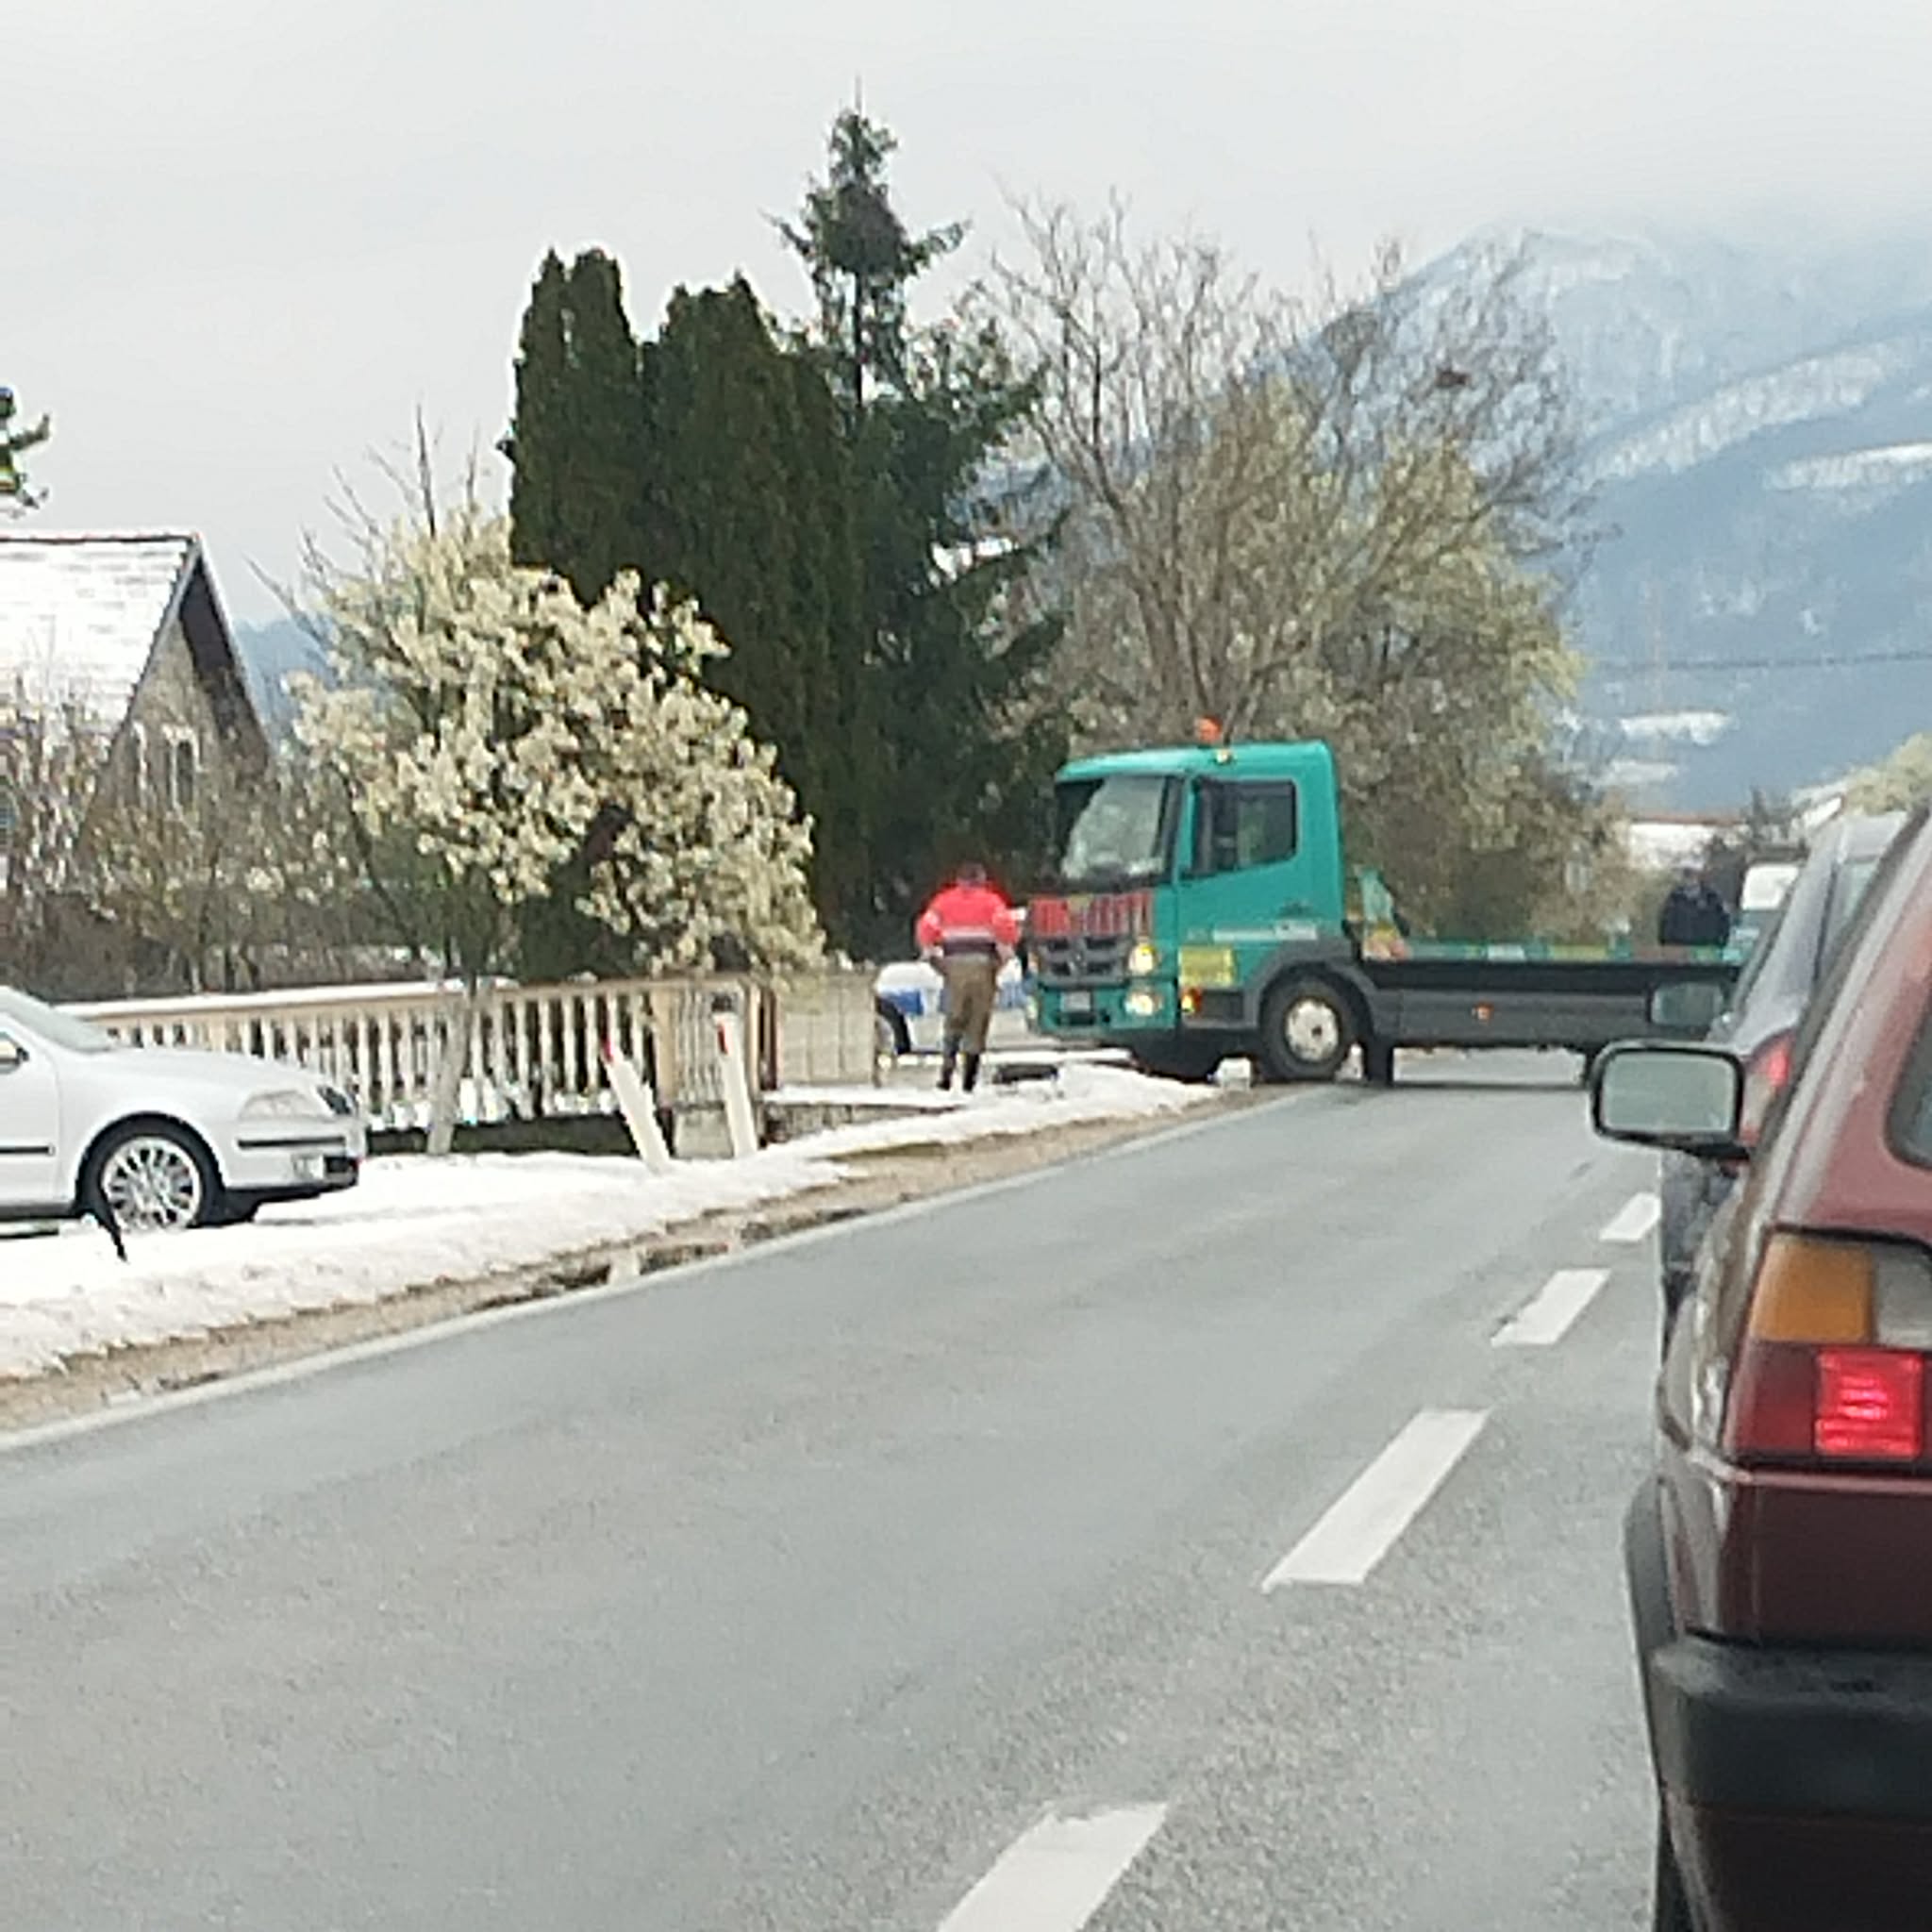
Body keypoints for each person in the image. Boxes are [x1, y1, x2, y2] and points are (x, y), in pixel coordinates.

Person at [915, 861, 1022, 1092]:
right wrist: (1003, 955)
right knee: (977, 1022)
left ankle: (946, 1072)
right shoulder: (991, 902)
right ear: (981, 880)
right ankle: (968, 1081)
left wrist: (932, 953)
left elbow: (926, 928)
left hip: (953, 965)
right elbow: (1007, 930)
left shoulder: (943, 901)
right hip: (983, 966)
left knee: (954, 1019)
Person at [1657, 863, 1732, 948]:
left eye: (1692, 874)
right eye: (1686, 874)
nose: (1689, 878)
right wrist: (1666, 945)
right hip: (1678, 950)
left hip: (1707, 949)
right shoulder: (1674, 899)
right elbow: (1665, 924)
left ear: (1699, 876)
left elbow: (1724, 922)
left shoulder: (1712, 898)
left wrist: (1721, 943)